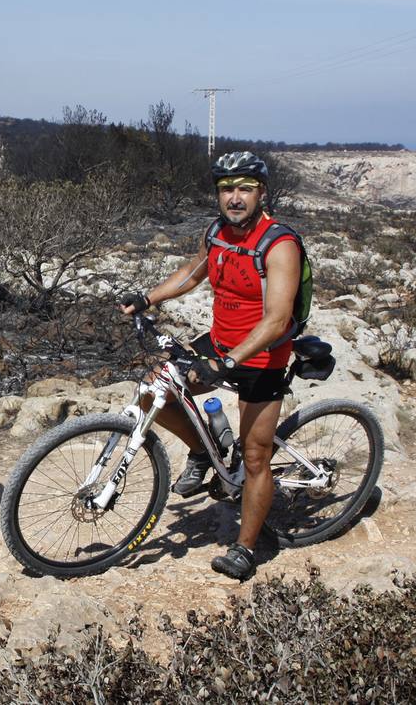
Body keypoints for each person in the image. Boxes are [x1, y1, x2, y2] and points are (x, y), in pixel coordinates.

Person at [119, 151, 301, 582]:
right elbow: (193, 271)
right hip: (220, 344)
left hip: (261, 357)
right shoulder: (217, 233)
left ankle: (245, 548)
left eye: (244, 189)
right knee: (153, 391)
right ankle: (203, 452)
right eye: (226, 189)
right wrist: (149, 298)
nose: (234, 198)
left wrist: (230, 361)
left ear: (262, 192)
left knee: (256, 457)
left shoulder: (280, 244)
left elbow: (276, 319)